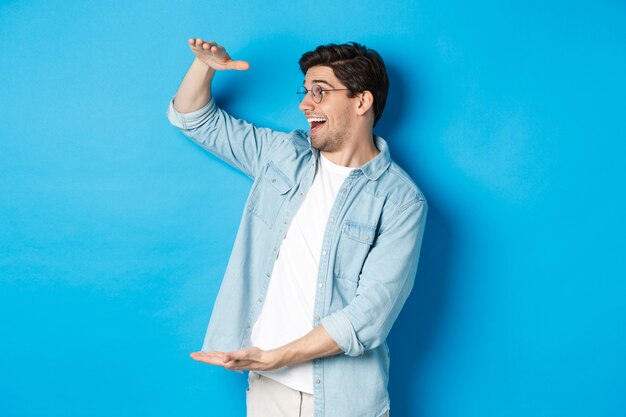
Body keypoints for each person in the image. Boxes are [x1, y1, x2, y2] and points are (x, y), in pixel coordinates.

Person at [167, 37, 427, 417]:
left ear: (361, 101)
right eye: (305, 92)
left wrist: (276, 356)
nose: (305, 104)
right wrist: (205, 66)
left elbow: (369, 317)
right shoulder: (282, 155)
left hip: (346, 399)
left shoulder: (401, 200)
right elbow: (193, 118)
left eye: (320, 92)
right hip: (269, 389)